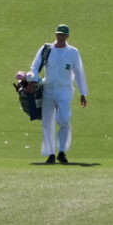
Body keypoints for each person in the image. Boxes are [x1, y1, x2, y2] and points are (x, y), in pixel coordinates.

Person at [30, 24, 87, 164]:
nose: (60, 37)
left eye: (63, 35)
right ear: (56, 35)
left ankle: (62, 151)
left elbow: (79, 72)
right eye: (59, 34)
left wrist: (83, 93)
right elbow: (35, 66)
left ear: (67, 36)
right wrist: (31, 81)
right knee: (47, 122)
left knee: (64, 119)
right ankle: (50, 154)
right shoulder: (46, 50)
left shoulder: (73, 52)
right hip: (48, 88)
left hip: (65, 89)